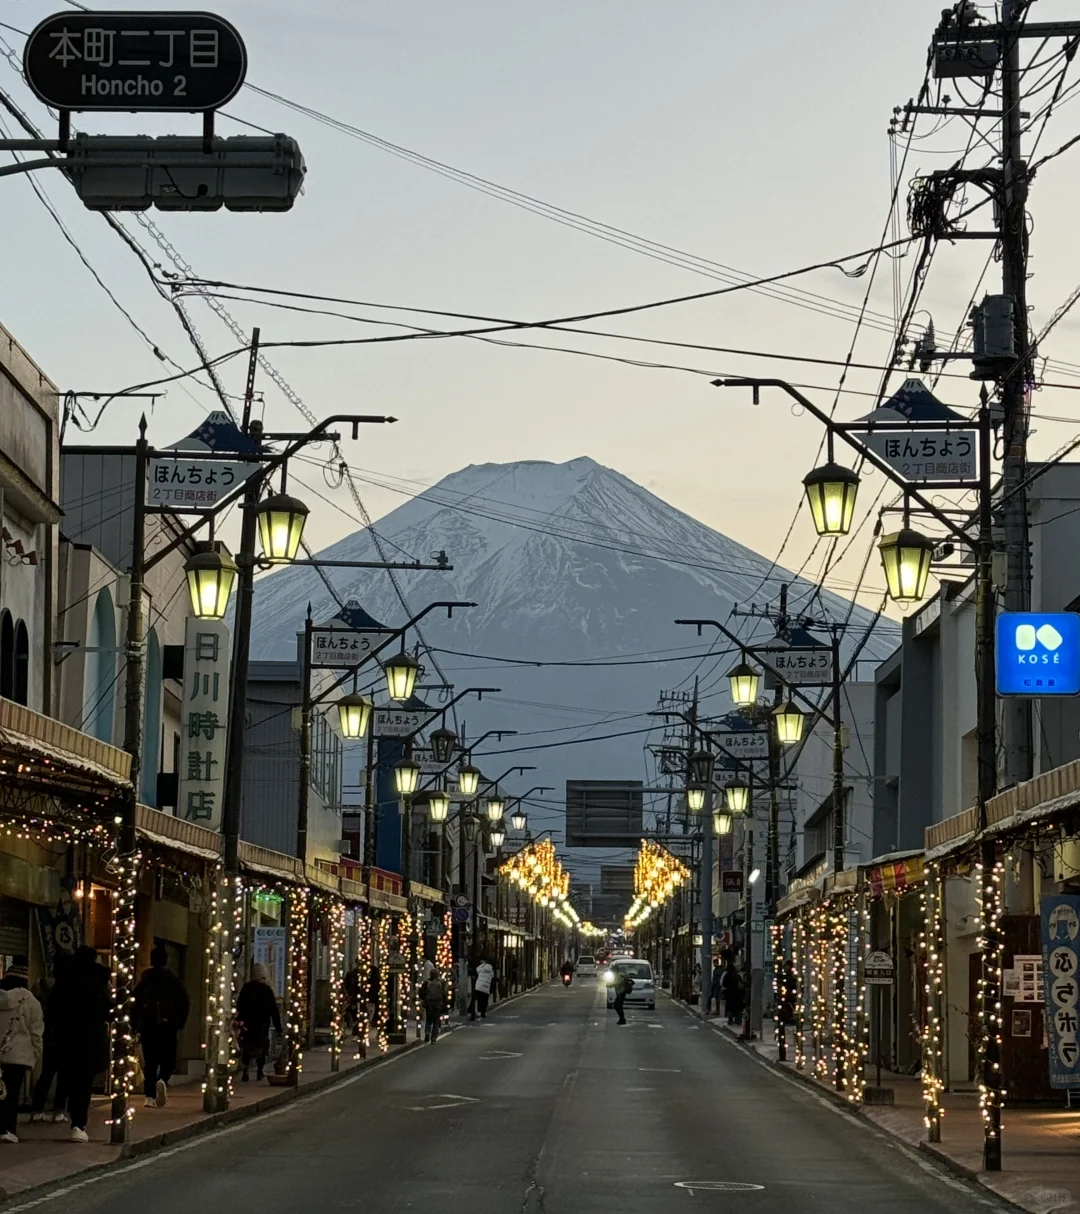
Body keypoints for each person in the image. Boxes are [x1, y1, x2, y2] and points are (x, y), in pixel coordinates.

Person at [50, 945, 109, 1143]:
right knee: (84, 1084)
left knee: (67, 1079)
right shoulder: (99, 981)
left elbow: (53, 1010)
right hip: (91, 1040)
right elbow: (107, 1010)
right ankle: (78, 1124)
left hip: (66, 1039)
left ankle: (61, 1110)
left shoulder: (64, 980)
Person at [133, 945, 189, 1109]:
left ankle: (149, 1097)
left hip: (147, 1026)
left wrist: (135, 1024)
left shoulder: (145, 978)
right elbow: (184, 1002)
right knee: (169, 1060)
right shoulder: (173, 980)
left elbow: (134, 1002)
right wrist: (179, 1022)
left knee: (150, 1062)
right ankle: (162, 1080)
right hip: (168, 1027)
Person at [0, 959, 44, 1144]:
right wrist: (34, 1054)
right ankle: (8, 1128)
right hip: (18, 1056)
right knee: (12, 1092)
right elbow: (36, 1033)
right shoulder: (33, 1002)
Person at [30, 952, 71, 1124]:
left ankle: (36, 1108)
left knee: (46, 1074)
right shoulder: (70, 987)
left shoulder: (41, 985)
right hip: (66, 1036)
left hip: (48, 1035)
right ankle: (59, 1110)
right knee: (64, 1075)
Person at [235, 963, 282, 1082]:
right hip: (262, 1024)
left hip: (247, 1024)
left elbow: (239, 1005)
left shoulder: (246, 988)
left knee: (246, 1046)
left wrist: (239, 1020)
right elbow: (273, 1010)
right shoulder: (266, 990)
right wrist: (278, 1027)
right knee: (262, 1048)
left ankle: (245, 1070)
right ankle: (259, 1071)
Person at [421, 968, 448, 1044]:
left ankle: (427, 1032)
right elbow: (444, 994)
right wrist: (445, 1004)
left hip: (429, 1004)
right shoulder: (442, 982)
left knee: (428, 1020)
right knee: (436, 1022)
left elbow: (421, 993)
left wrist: (424, 1000)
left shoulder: (426, 982)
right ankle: (433, 1038)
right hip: (438, 1004)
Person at [721, 960, 745, 1025]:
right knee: (738, 1008)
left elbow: (723, 984)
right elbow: (742, 985)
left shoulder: (726, 975)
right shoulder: (737, 976)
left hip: (730, 994)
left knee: (730, 1008)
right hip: (738, 995)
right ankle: (738, 1020)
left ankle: (730, 1020)